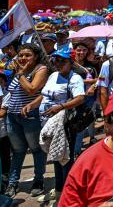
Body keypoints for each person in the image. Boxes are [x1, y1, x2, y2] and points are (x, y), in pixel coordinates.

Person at [35, 47, 86, 202]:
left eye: (62, 61)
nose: (58, 63)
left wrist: (61, 107)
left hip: (65, 125)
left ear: (70, 62)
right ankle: (58, 191)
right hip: (50, 124)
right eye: (55, 60)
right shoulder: (53, 76)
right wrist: (32, 104)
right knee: (57, 158)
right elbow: (44, 95)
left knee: (65, 160)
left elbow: (80, 98)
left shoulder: (75, 78)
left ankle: (68, 194)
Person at [2, 43, 49, 198]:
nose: (23, 58)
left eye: (27, 55)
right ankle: (13, 183)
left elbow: (32, 89)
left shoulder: (40, 69)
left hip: (31, 117)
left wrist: (20, 74)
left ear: (35, 56)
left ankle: (38, 180)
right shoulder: (17, 71)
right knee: (17, 151)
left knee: (36, 150)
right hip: (12, 116)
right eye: (21, 55)